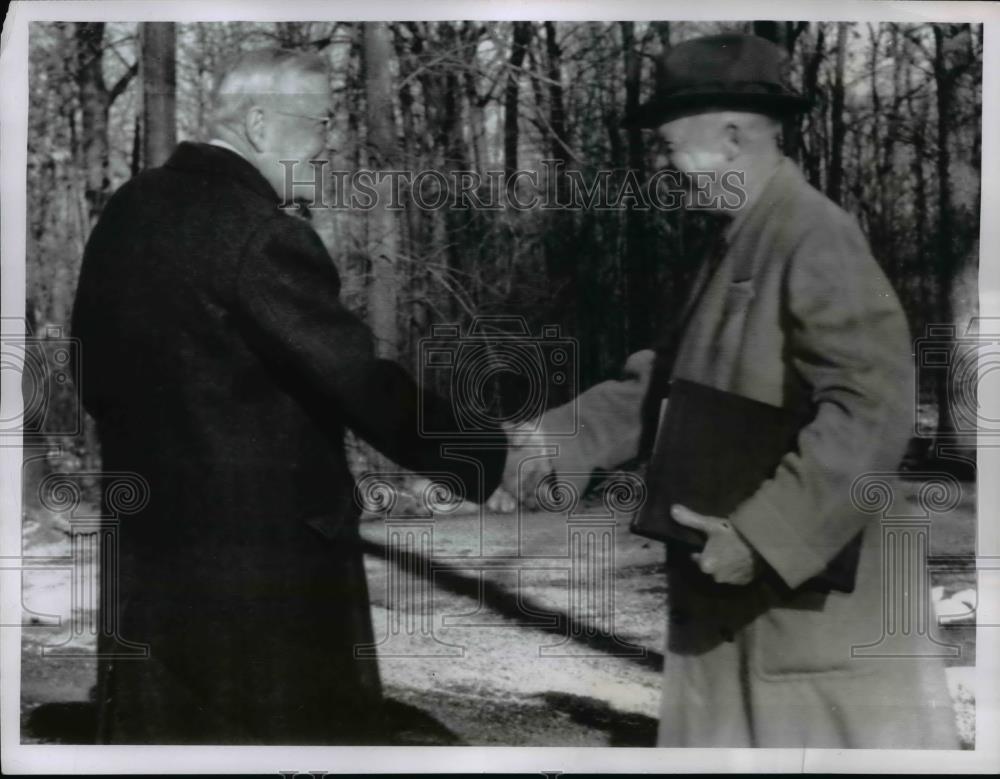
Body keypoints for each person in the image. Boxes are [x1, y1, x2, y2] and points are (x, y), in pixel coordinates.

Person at [500, 34, 959, 748]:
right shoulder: (738, 239)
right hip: (752, 609)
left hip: (813, 616)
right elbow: (670, 379)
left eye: (675, 149)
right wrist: (555, 441)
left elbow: (873, 403)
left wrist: (767, 534)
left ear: (734, 135)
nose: (671, 168)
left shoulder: (812, 234)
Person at [71, 48, 507, 744]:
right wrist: (488, 458)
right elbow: (358, 380)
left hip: (147, 562)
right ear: (259, 122)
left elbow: (88, 375)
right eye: (322, 123)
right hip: (265, 576)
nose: (330, 144)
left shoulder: (127, 211)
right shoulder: (262, 232)